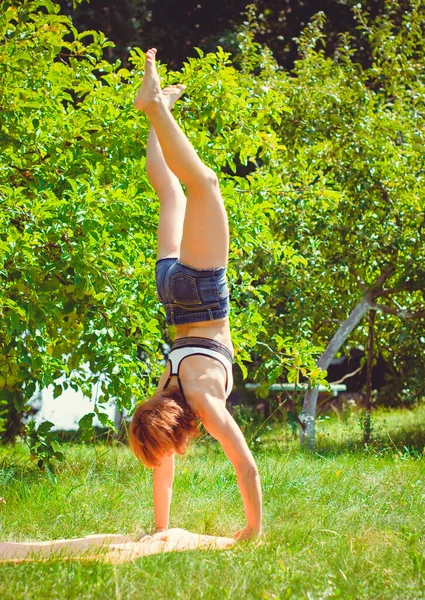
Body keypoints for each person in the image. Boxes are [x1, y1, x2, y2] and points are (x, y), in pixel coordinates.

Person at [129, 48, 262, 541]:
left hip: (203, 297)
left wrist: (254, 529)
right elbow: (159, 459)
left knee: (204, 185)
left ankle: (155, 106)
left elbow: (244, 465)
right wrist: (160, 530)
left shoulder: (205, 400)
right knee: (173, 194)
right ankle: (156, 104)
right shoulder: (166, 383)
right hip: (170, 293)